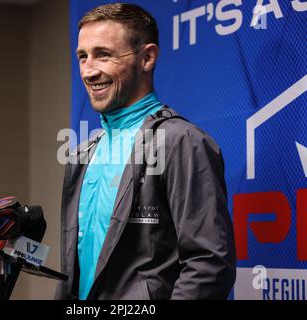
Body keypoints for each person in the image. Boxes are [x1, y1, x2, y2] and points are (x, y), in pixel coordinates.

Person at [55, 2, 236, 300]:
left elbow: (209, 265)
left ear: (147, 58)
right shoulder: (82, 153)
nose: (89, 71)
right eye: (82, 57)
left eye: (103, 54)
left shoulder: (182, 141)